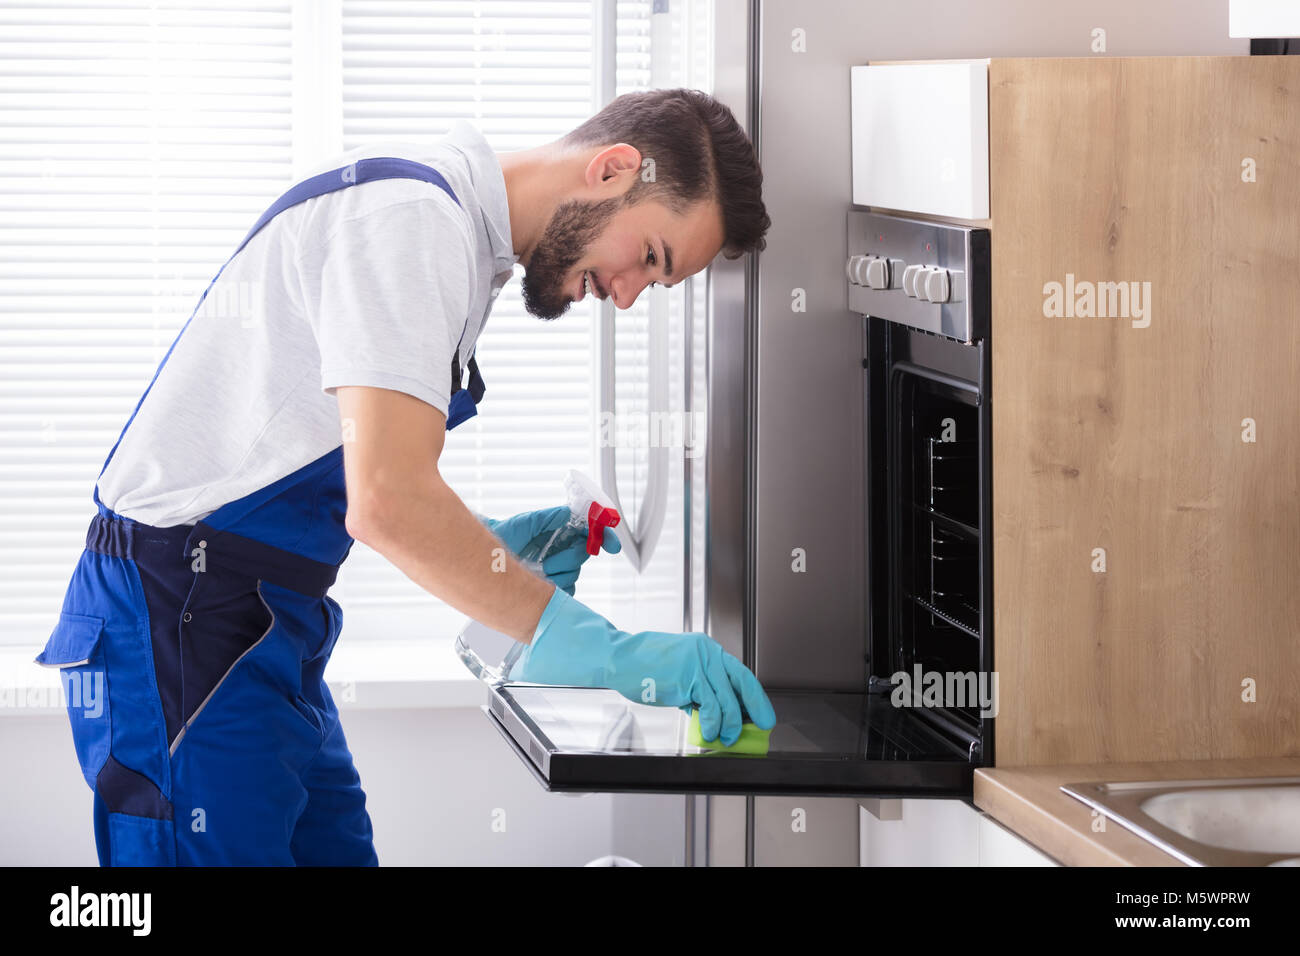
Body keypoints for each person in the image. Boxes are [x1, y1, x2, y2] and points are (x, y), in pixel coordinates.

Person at [36, 88, 775, 866]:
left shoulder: (450, 235)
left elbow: (349, 473)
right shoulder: (413, 221)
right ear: (613, 169)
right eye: (650, 258)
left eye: (653, 285)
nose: (626, 297)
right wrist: (597, 645)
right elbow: (386, 502)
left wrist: (492, 550)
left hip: (258, 624)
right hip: (179, 626)